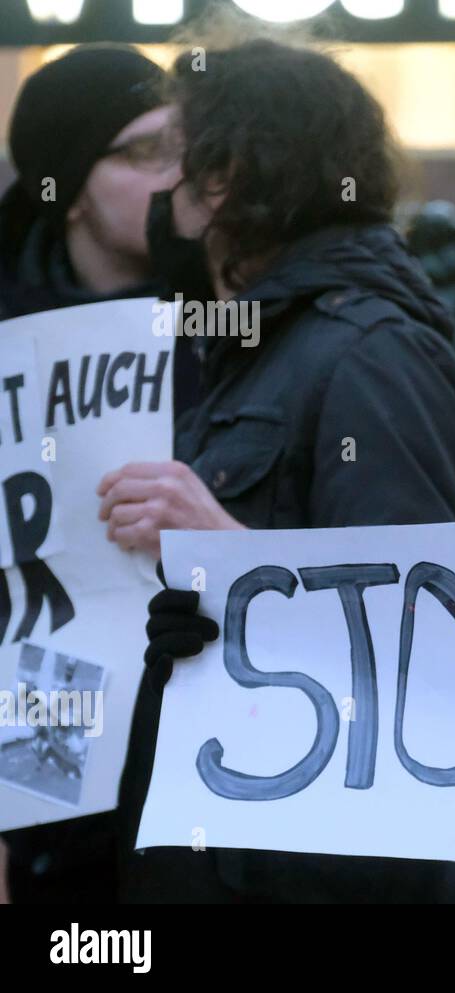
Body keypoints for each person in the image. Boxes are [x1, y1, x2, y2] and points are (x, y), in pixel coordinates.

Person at [108, 23, 455, 902]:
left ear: (227, 174)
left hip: (320, 873)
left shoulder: (368, 349)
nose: (159, 186)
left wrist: (237, 555)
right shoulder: (260, 343)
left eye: (174, 152)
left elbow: (434, 638)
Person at [0, 43, 184, 906]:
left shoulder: (233, 303)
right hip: (41, 709)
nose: (178, 173)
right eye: (146, 151)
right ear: (71, 183)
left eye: (186, 145)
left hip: (192, 697)